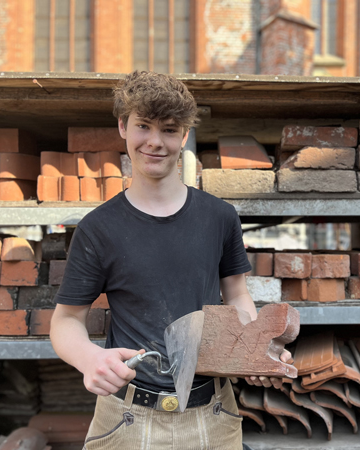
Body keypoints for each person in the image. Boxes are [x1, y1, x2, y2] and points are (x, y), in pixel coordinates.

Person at [50, 71, 290, 450]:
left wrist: (251, 348)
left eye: (170, 129)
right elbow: (65, 322)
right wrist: (89, 358)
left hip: (213, 413)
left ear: (184, 135)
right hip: (127, 418)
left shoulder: (220, 217)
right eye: (143, 126)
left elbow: (238, 295)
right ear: (123, 127)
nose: (155, 142)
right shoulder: (98, 228)